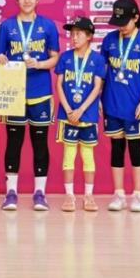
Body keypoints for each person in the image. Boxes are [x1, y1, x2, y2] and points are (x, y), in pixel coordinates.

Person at [0, 0, 61, 211]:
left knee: (40, 143)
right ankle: (11, 192)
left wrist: (40, 64)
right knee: (14, 142)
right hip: (13, 93)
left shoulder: (47, 26)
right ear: (17, 0)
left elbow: (55, 57)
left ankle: (39, 193)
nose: (27, 0)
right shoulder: (7, 26)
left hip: (40, 92)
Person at [100, 0, 140, 213]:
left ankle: (138, 195)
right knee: (116, 149)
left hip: (134, 106)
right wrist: (99, 99)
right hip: (112, 103)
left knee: (135, 149)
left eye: (124, 22)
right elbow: (103, 72)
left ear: (136, 17)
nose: (121, 27)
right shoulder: (109, 40)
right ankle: (119, 194)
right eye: (118, 22)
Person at [55, 17, 106, 213]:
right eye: (72, 34)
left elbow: (97, 87)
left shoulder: (97, 59)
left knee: (87, 155)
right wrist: (69, 110)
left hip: (88, 114)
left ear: (89, 36)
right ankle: (69, 196)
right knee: (69, 154)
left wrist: (81, 110)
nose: (74, 37)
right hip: (67, 114)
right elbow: (59, 85)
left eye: (79, 34)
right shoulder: (65, 57)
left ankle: (88, 195)